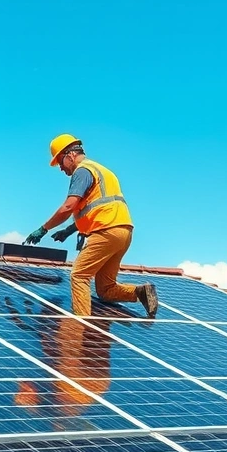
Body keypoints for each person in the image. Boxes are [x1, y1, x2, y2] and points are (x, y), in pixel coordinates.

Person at [23, 134, 158, 319]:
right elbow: (96, 206)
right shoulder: (103, 171)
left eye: (60, 162)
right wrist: (68, 231)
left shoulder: (82, 171)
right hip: (123, 231)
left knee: (79, 276)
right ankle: (141, 292)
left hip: (105, 231)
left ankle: (81, 325)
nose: (61, 168)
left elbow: (68, 206)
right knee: (105, 289)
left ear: (69, 155)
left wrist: (43, 229)